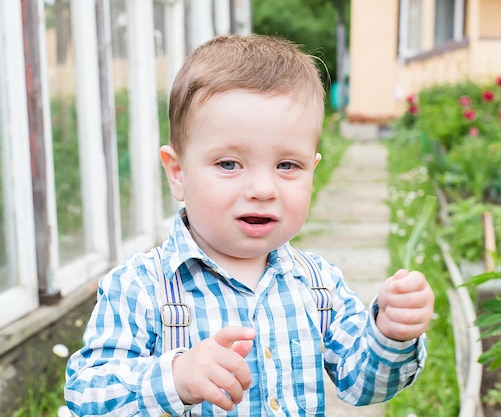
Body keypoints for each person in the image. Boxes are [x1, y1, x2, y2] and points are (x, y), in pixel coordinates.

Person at [64, 34, 435, 417]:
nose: (262, 189)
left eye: (287, 165)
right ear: (178, 173)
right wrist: (175, 379)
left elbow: (362, 384)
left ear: (313, 170)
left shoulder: (318, 285)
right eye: (229, 164)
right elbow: (87, 394)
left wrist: (390, 334)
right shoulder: (140, 287)